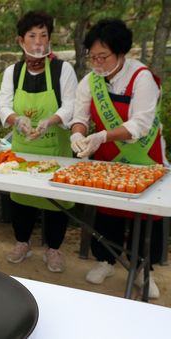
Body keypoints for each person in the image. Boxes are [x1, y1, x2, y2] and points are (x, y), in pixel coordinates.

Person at [70, 19, 167, 299]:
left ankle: (142, 269)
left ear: (121, 53)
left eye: (104, 57)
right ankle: (107, 260)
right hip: (108, 158)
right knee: (108, 210)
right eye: (93, 57)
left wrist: (101, 136)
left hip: (142, 156)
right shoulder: (90, 81)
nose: (97, 63)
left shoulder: (141, 77)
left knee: (144, 215)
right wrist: (78, 134)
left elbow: (140, 125)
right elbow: (80, 116)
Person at [0, 11, 78, 272]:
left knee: (56, 202)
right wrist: (16, 120)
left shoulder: (62, 69)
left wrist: (51, 121)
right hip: (23, 151)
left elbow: (71, 106)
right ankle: (22, 243)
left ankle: (53, 250)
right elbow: (2, 105)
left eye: (43, 35)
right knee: (21, 199)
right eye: (32, 35)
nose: (38, 41)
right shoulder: (13, 71)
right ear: (21, 40)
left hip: (56, 150)